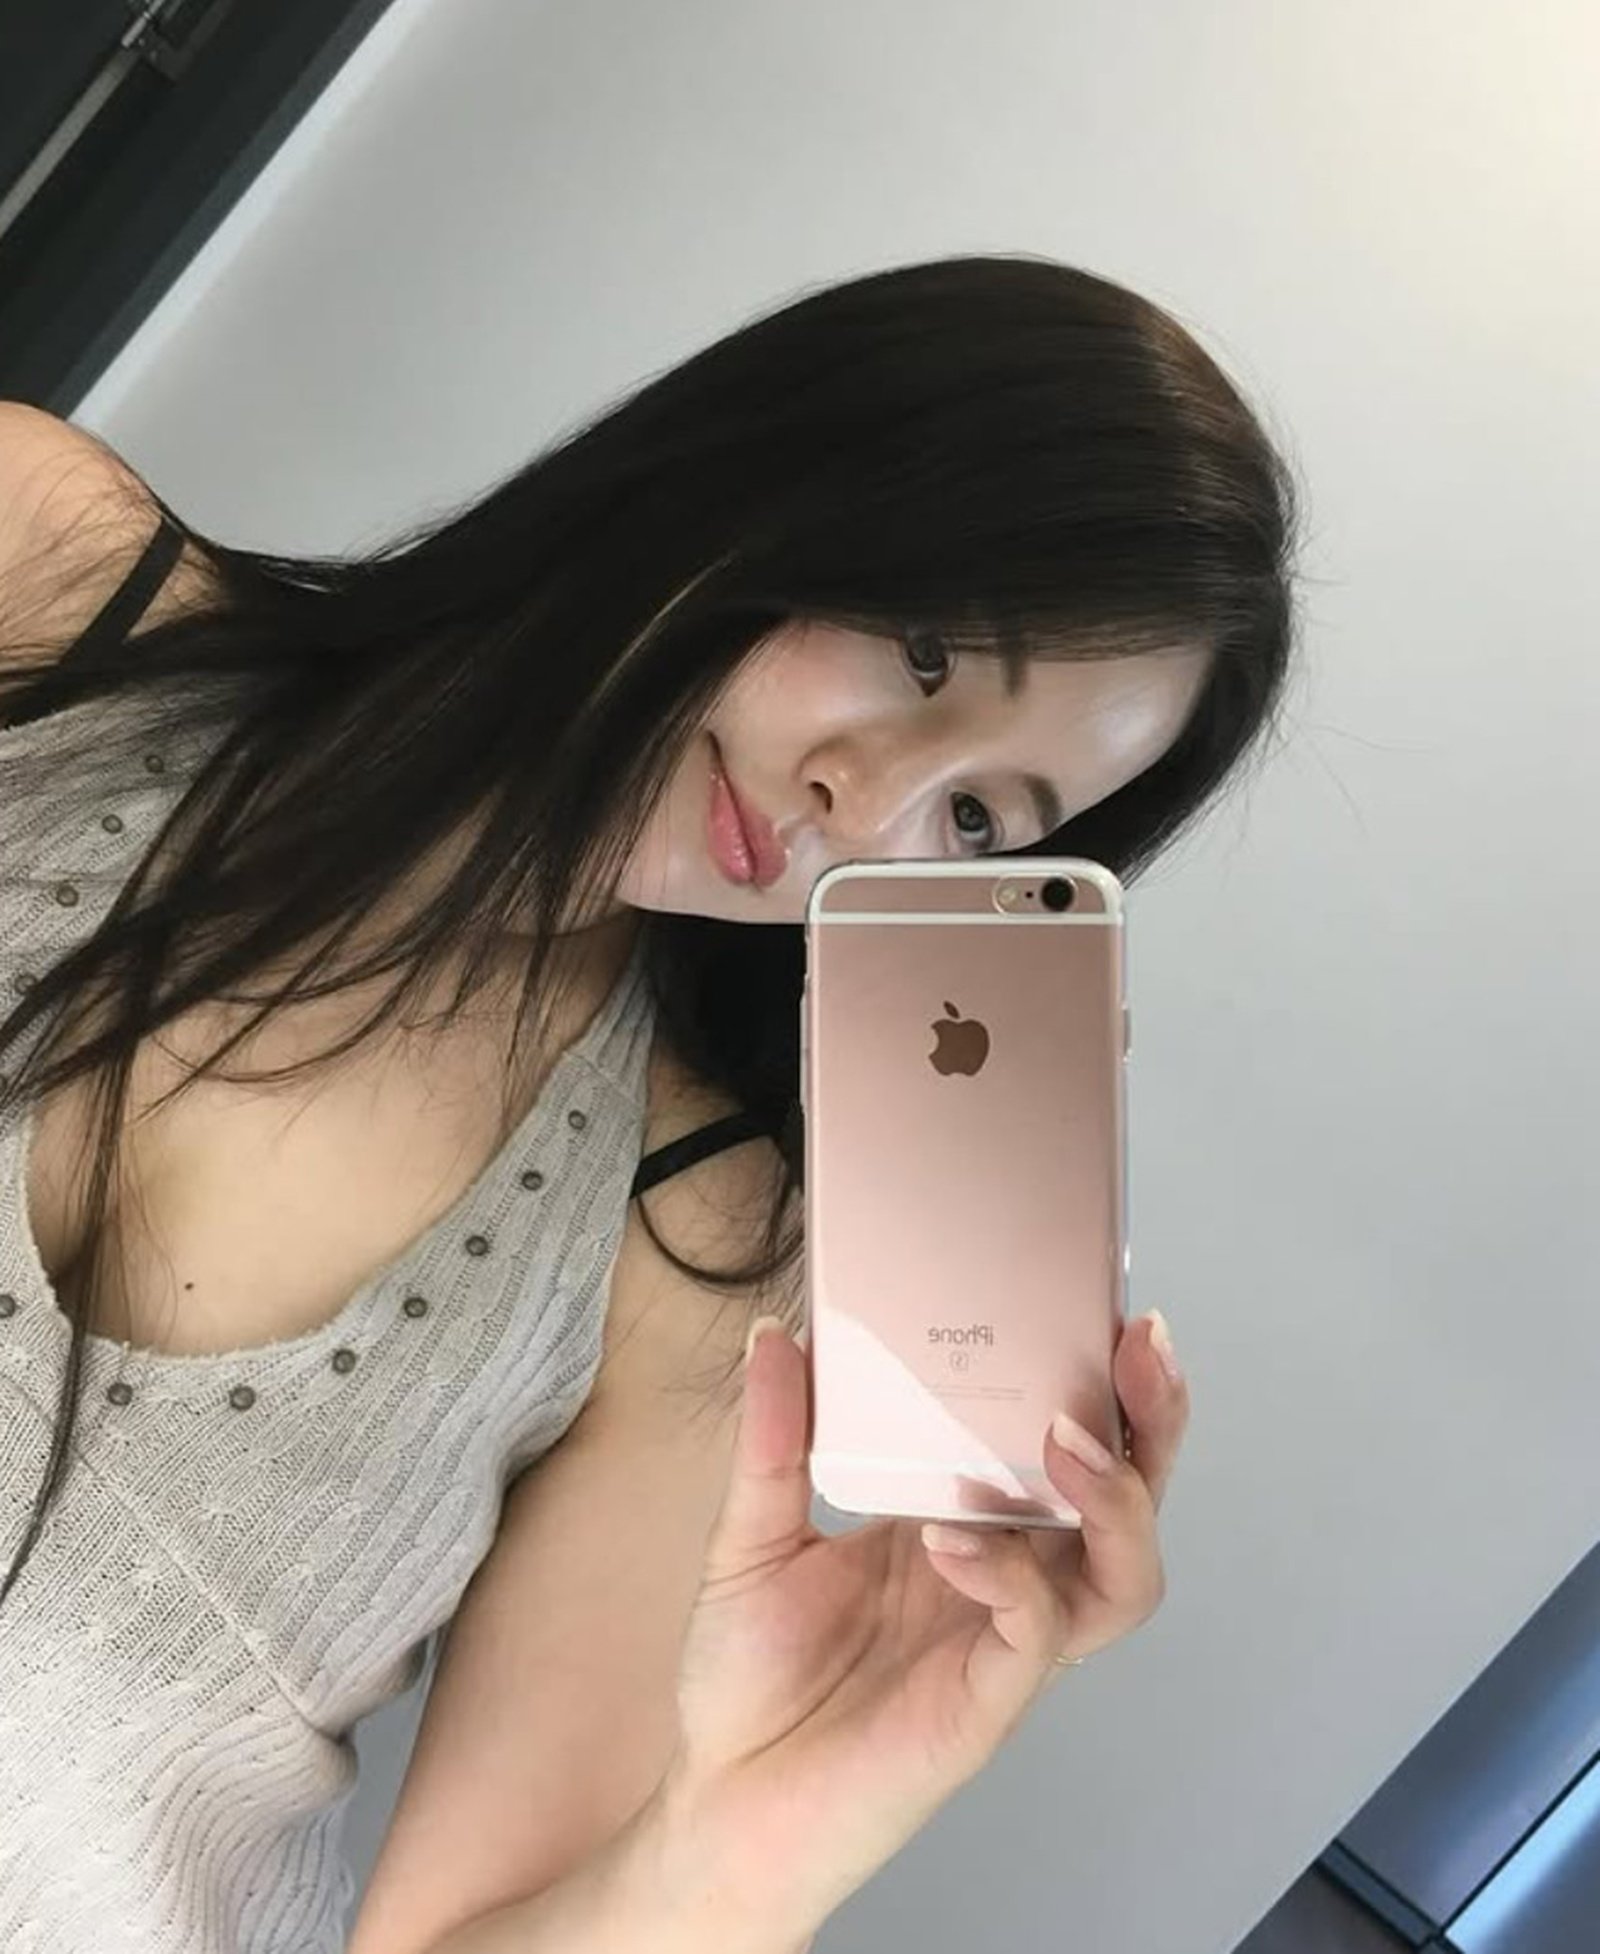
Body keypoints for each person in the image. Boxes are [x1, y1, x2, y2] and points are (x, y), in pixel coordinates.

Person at [0, 254, 1297, 1953]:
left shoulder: (693, 1241)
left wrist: (755, 1842)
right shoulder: (47, 574)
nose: (868, 810)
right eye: (924, 652)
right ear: (783, 456)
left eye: (983, 818)